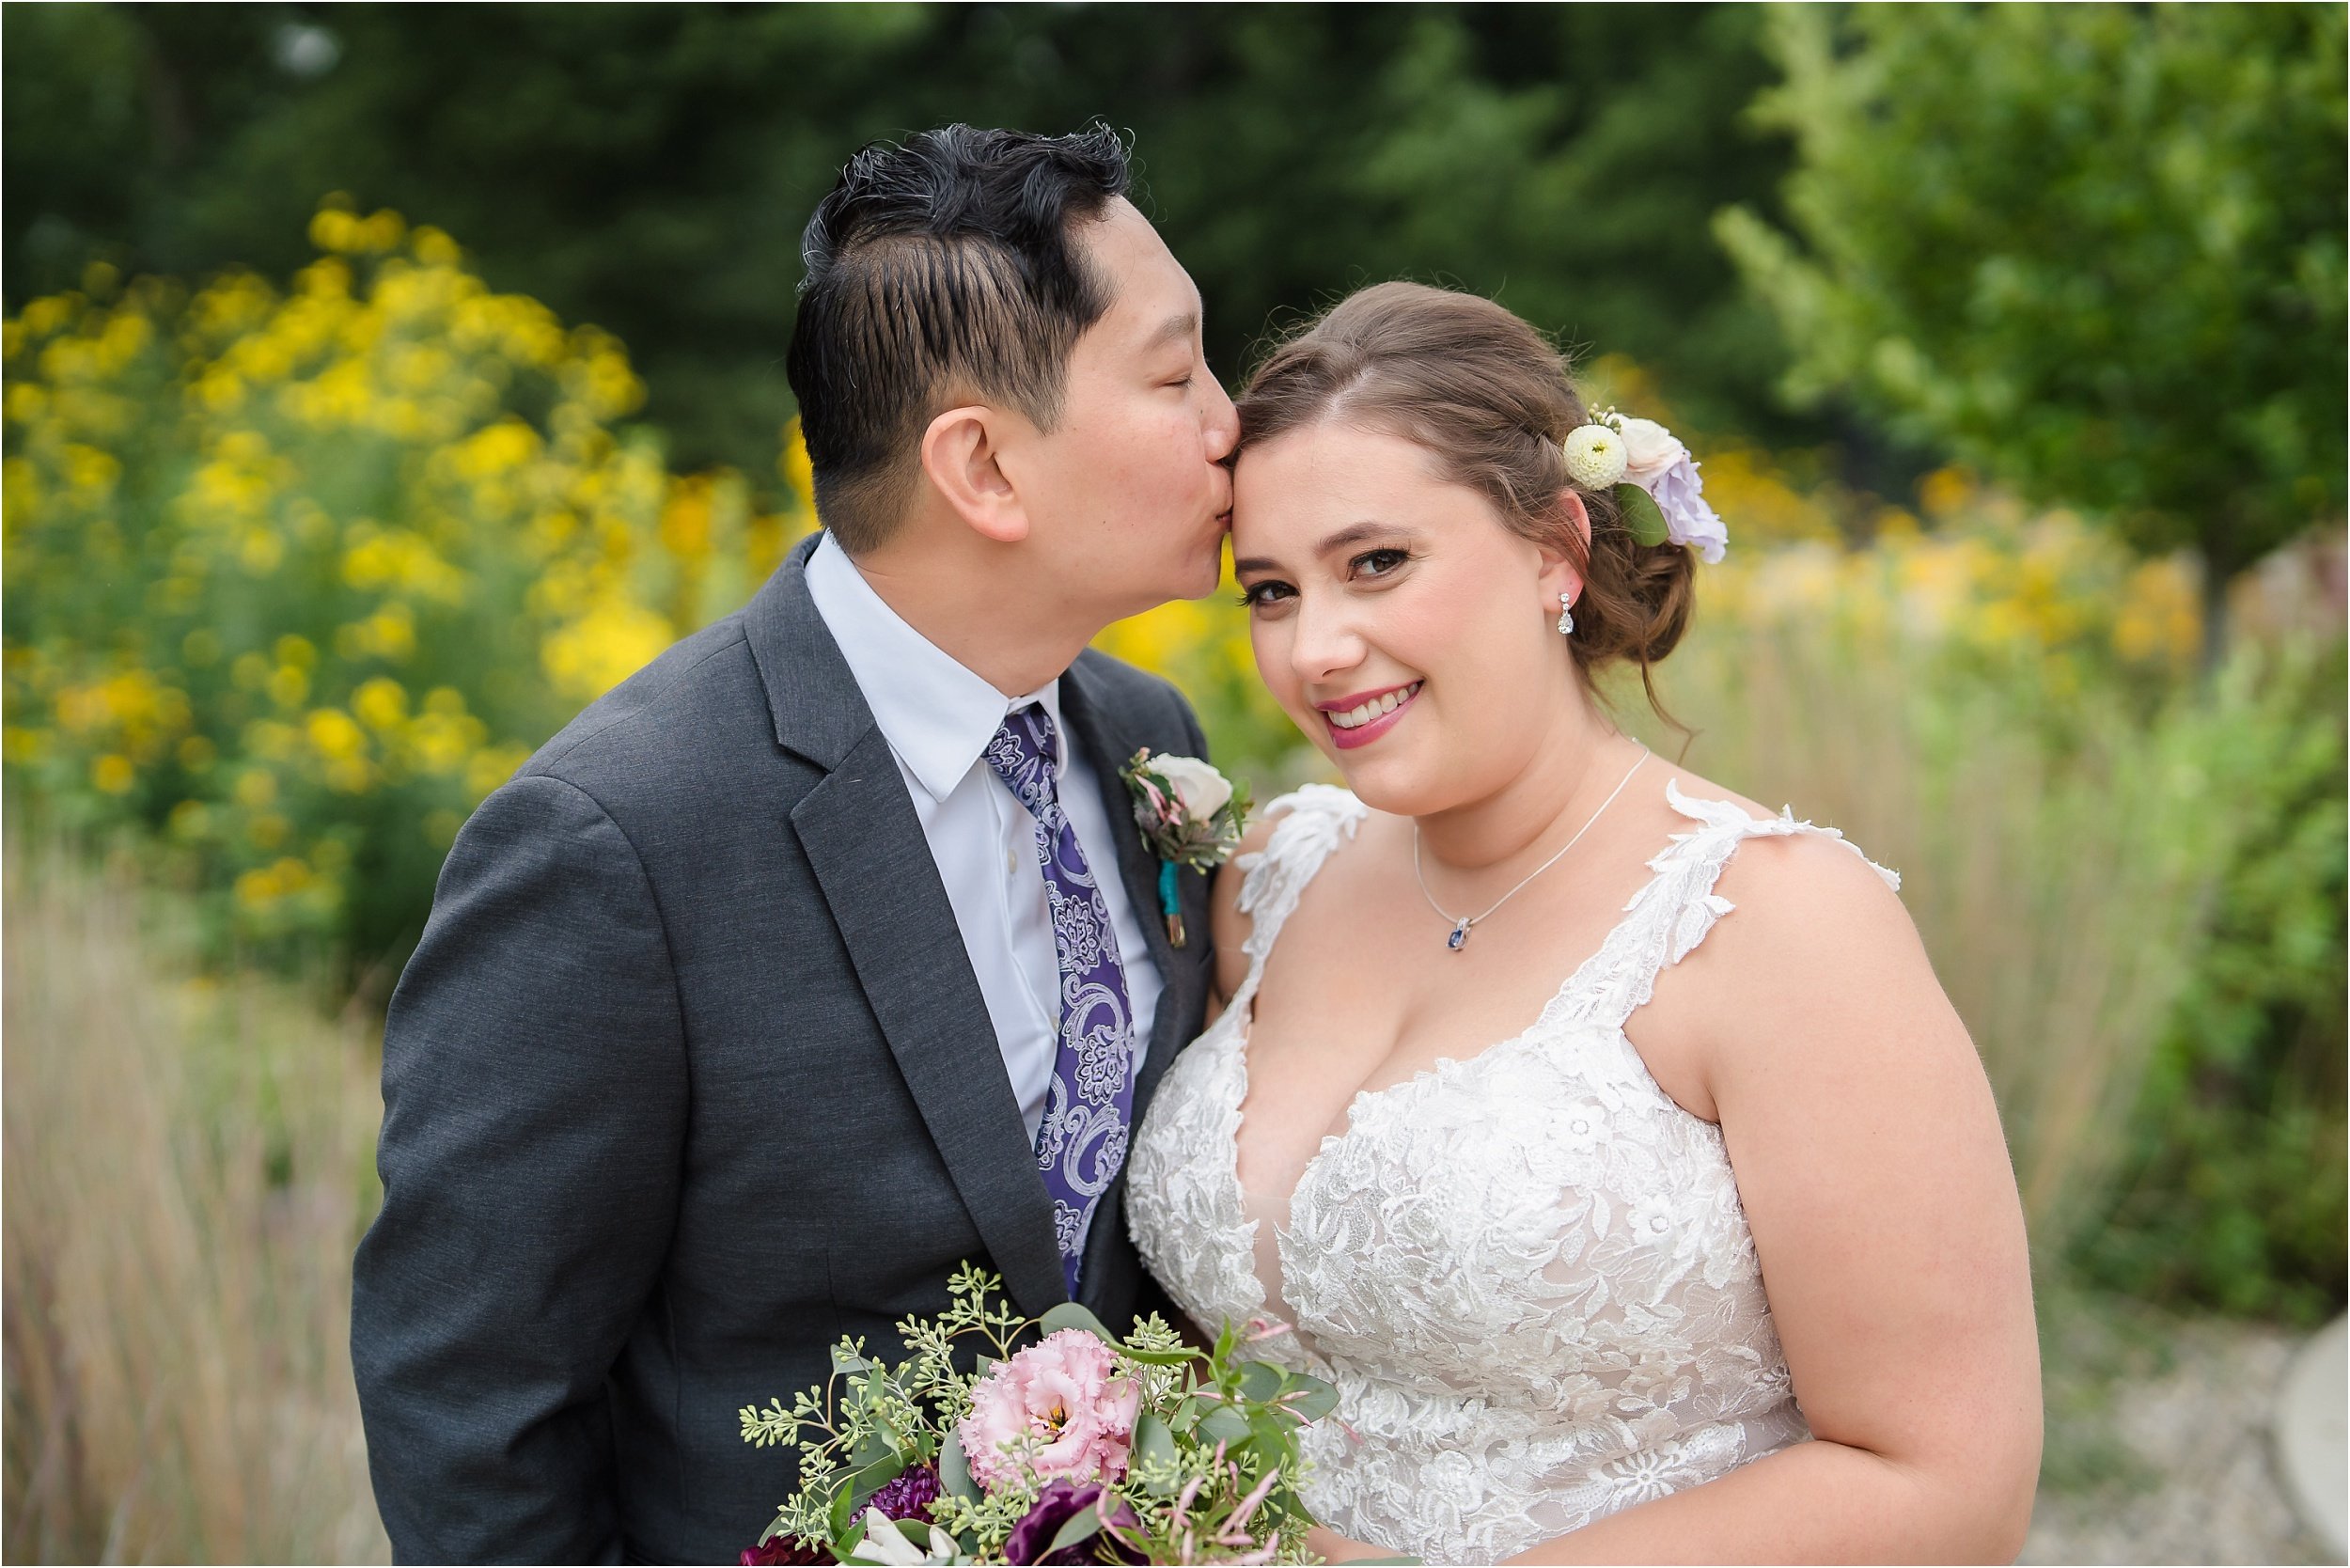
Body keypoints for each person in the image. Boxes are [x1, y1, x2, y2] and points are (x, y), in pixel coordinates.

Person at [352, 124, 1239, 1563]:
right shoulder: (611, 844)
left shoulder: (1147, 729)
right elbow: (471, 1410)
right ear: (985, 469)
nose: (1228, 422)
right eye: (1174, 371)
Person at [1126, 282, 2044, 1564]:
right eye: (1271, 591)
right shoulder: (1271, 874)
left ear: (1556, 547)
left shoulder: (1771, 925)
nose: (1315, 649)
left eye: (1376, 563)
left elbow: (1946, 1484)